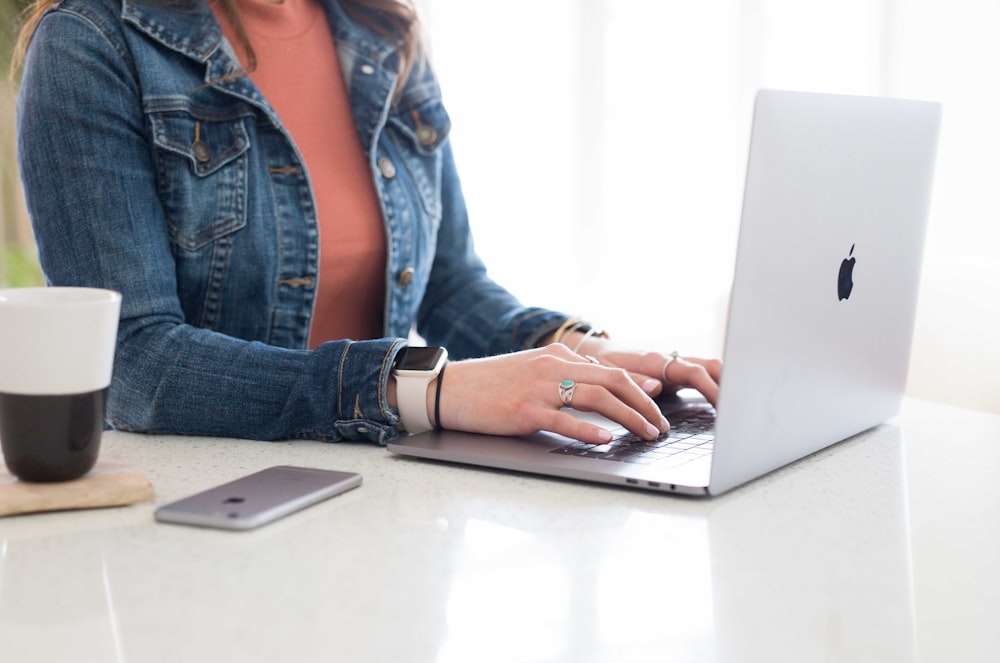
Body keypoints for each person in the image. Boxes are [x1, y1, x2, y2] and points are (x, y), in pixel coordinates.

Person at [12, 0, 721, 448]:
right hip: (205, 520)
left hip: (379, 499)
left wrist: (574, 353)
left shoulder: (383, 29)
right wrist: (424, 389)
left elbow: (450, 284)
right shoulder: (90, 45)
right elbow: (132, 360)